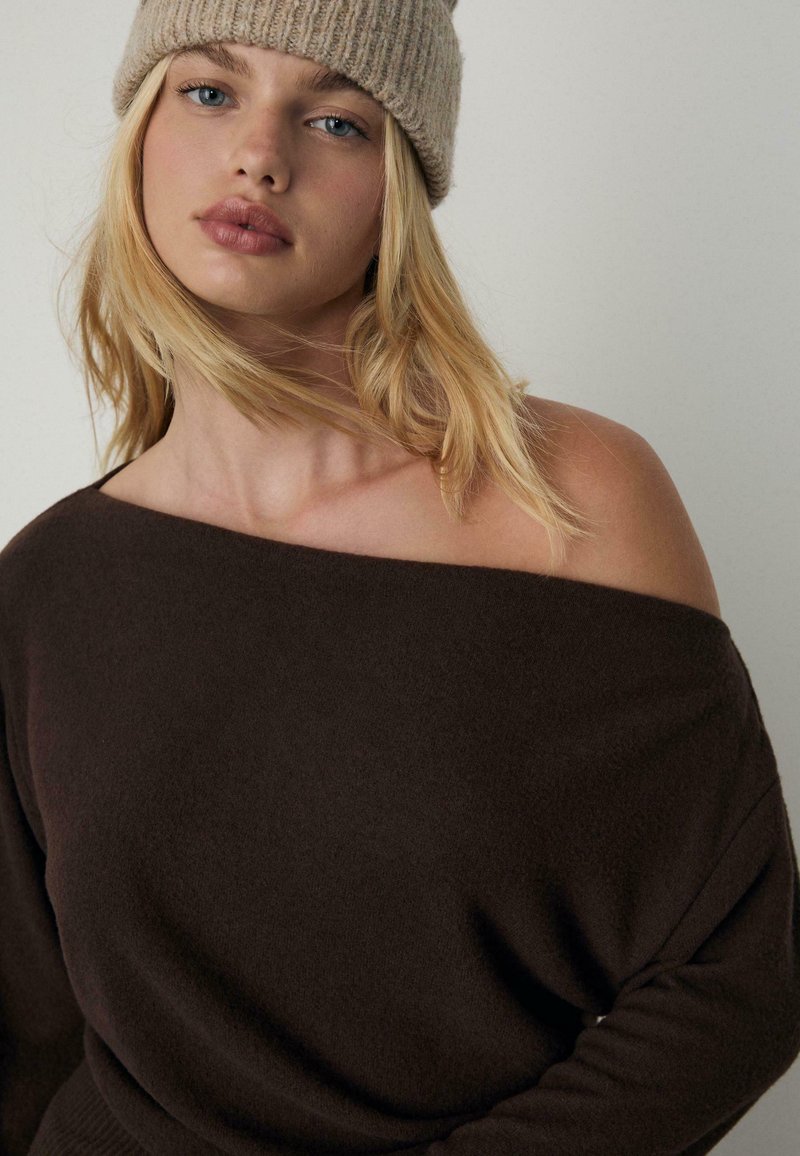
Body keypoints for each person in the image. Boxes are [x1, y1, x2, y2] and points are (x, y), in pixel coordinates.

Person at [1, 1, 798, 1153]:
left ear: (400, 192)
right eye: (209, 92)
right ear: (140, 133)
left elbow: (736, 972)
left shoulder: (566, 500)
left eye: (336, 121)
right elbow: (24, 1032)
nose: (258, 155)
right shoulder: (47, 589)